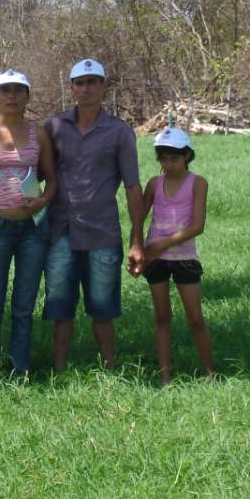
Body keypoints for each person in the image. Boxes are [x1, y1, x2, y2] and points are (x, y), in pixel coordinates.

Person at [43, 58, 145, 372]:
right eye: (79, 83)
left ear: (105, 87)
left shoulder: (118, 132)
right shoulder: (54, 127)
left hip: (103, 233)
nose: (85, 88)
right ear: (71, 87)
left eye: (92, 82)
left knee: (103, 309)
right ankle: (59, 369)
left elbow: (132, 187)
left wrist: (137, 240)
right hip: (60, 231)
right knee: (60, 309)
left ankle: (109, 368)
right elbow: (35, 177)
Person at [0, 70, 57, 375]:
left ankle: (20, 369)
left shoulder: (38, 133)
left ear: (28, 97)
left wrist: (43, 201)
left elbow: (52, 179)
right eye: (5, 91)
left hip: (32, 228)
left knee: (24, 305)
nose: (12, 96)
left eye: (19, 91)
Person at [129, 127, 213, 384]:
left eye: (174, 158)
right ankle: (165, 377)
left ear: (187, 155)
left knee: (195, 318)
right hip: (156, 259)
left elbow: (197, 226)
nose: (168, 164)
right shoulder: (155, 183)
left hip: (184, 257)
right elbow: (139, 217)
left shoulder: (197, 183)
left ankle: (210, 373)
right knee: (162, 317)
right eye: (163, 158)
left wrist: (162, 244)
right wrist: (137, 247)